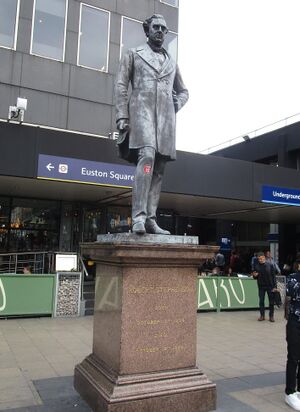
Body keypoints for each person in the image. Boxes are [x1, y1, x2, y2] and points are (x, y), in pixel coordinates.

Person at [115, 14, 189, 235]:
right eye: (155, 27)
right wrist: (122, 116)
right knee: (146, 157)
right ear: (147, 30)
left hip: (165, 121)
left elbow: (184, 91)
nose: (159, 31)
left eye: (163, 29)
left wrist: (178, 103)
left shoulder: (172, 62)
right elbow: (120, 84)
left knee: (158, 168)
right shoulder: (133, 55)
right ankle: (138, 217)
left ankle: (150, 219)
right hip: (141, 115)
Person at [284, 258, 300, 410]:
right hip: (295, 321)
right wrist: (288, 318)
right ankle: (290, 392)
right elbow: (287, 300)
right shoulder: (293, 279)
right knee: (294, 357)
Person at [252, 251, 277, 322]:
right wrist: (254, 276)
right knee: (261, 301)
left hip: (270, 286)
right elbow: (254, 276)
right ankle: (262, 316)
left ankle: (271, 316)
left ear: (264, 258)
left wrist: (275, 286)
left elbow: (273, 277)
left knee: (271, 302)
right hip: (261, 286)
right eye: (259, 259)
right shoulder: (256, 266)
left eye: (262, 258)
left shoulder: (270, 265)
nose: (260, 260)